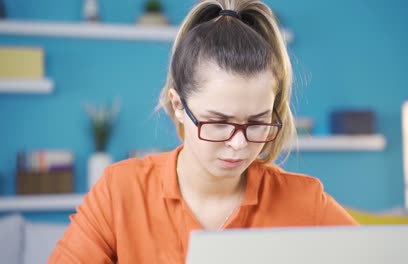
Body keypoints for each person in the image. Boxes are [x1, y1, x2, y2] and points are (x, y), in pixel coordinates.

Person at [48, 0, 357, 263]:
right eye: (219, 122)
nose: (238, 144)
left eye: (257, 122)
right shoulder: (120, 191)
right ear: (179, 105)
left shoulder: (305, 201)